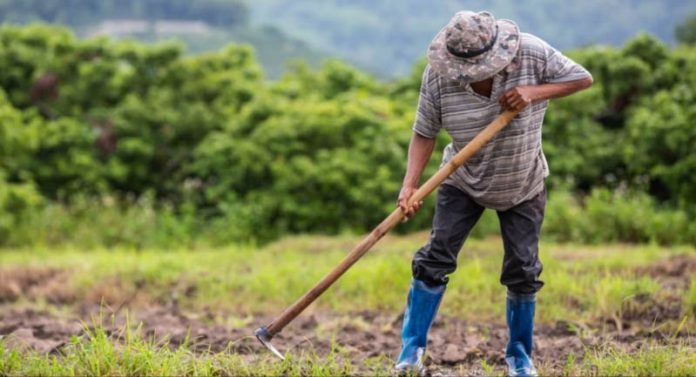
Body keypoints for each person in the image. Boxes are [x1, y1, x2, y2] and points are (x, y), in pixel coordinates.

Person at [395, 10, 593, 377]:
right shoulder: (439, 75)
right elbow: (424, 131)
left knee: (522, 268)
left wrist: (533, 92)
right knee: (434, 259)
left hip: (523, 181)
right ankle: (410, 354)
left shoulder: (531, 53)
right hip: (462, 179)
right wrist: (410, 185)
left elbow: (582, 78)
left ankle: (520, 357)